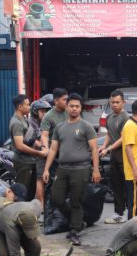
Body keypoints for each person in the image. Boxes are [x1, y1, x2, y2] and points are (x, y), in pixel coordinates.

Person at [42, 93, 101, 246]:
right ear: (67, 107)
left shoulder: (86, 127)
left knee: (76, 201)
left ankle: (74, 231)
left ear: (81, 108)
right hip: (62, 168)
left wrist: (96, 170)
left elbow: (94, 149)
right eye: (71, 106)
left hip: (81, 168)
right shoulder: (60, 127)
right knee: (56, 198)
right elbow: (53, 149)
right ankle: (78, 221)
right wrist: (46, 169)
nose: (74, 109)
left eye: (77, 106)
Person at [99, 90, 131, 224]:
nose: (114, 105)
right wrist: (103, 146)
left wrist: (108, 149)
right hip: (114, 157)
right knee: (116, 186)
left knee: (127, 186)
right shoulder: (109, 118)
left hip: (125, 156)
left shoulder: (126, 118)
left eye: (117, 102)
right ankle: (118, 213)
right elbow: (109, 134)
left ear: (123, 102)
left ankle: (131, 214)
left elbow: (124, 138)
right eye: (112, 102)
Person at [10, 94, 39, 203]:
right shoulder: (16, 123)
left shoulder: (24, 119)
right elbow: (20, 145)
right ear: (20, 107)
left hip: (30, 161)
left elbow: (30, 139)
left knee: (30, 192)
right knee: (21, 193)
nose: (29, 107)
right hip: (23, 162)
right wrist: (38, 153)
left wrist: (42, 146)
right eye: (27, 105)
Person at [27, 98, 52, 206]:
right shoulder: (31, 123)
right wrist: (44, 148)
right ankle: (41, 206)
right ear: (35, 112)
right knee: (40, 179)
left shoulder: (46, 121)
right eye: (42, 111)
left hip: (48, 152)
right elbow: (34, 141)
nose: (45, 113)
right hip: (38, 154)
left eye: (46, 111)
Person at [39, 88, 68, 154]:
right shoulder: (48, 116)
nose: (66, 102)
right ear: (56, 101)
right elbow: (44, 136)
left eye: (67, 99)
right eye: (64, 100)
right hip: (55, 151)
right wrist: (46, 149)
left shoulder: (70, 112)